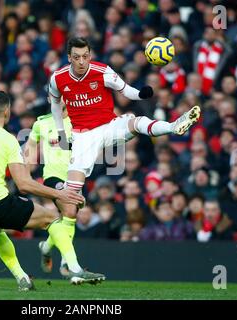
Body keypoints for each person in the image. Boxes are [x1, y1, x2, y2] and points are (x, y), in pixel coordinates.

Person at [0, 91, 104, 291]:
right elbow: (24, 184)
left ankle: (22, 278)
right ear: (7, 111)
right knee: (51, 218)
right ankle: (74, 268)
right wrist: (60, 194)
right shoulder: (7, 138)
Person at [48, 37, 201, 239]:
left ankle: (173, 126)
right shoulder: (57, 79)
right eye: (76, 57)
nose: (82, 61)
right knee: (70, 200)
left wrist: (141, 94)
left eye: (85, 56)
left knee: (136, 122)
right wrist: (60, 134)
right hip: (83, 137)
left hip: (109, 125)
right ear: (69, 58)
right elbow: (55, 105)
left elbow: (125, 89)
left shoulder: (102, 71)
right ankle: (49, 244)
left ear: (90, 55)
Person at [24, 102, 75, 277]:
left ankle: (46, 247)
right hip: (53, 177)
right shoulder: (42, 123)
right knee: (70, 209)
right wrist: (26, 167)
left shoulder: (79, 121)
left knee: (68, 217)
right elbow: (30, 145)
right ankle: (66, 264)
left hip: (76, 177)